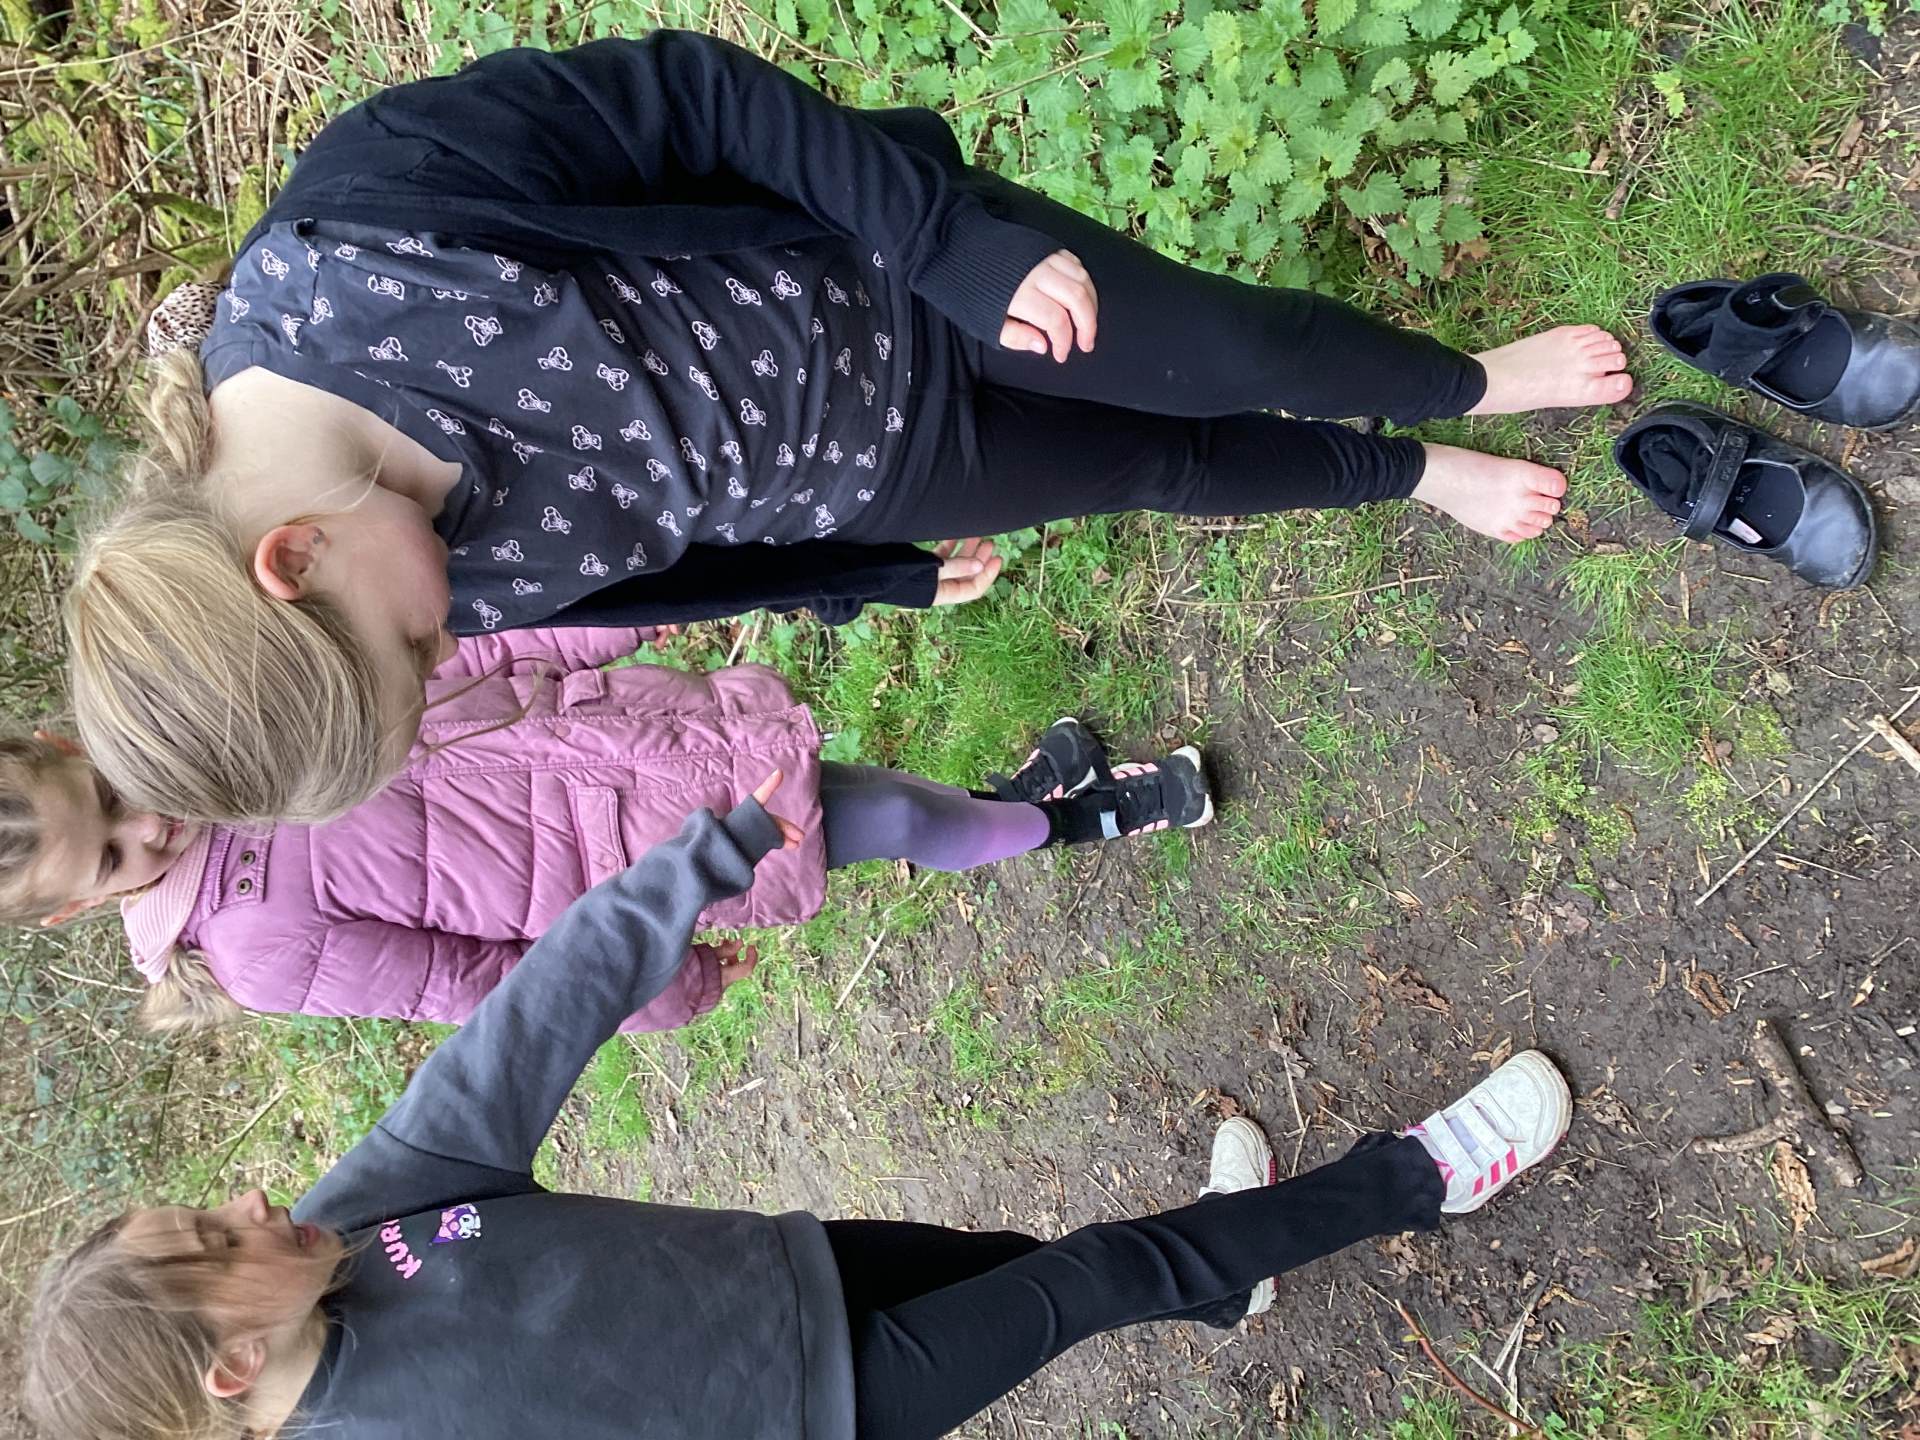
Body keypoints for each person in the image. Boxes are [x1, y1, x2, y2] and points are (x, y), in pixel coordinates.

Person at [67, 28, 1630, 825]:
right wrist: (851, 574)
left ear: (291, 555)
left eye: (413, 651)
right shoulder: (393, 568)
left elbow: (697, 98)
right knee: (1170, 463)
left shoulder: (380, 225)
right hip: (889, 471)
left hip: (914, 287)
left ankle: (1469, 380)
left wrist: (950, 243)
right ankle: (1416, 470)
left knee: (1234, 349)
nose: (451, 641)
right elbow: (649, 574)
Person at [22, 778, 1574, 1440]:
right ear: (231, 1368)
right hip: (830, 1411)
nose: (247, 1199)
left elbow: (528, 1025)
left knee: (1028, 1265)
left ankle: (1228, 1282)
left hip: (801, 1269)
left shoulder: (361, 1224)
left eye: (204, 1205)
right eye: (217, 1239)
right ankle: (1420, 1177)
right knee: (1102, 1270)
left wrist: (696, 863)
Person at [0, 633, 1202, 1027]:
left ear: (67, 742)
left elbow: (440, 656)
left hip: (620, 745)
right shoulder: (251, 946)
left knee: (860, 792)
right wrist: (663, 984)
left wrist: (607, 622)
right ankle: (1086, 815)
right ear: (78, 908)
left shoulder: (224, 719)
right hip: (642, 861)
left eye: (106, 792)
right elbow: (482, 988)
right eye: (112, 854)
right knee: (875, 814)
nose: (148, 822)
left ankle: (1023, 802)